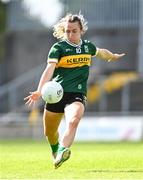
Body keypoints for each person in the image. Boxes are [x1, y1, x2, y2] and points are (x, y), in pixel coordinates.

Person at [24, 13, 125, 169]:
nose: (70, 34)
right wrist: (39, 90)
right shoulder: (58, 48)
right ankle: (56, 150)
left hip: (76, 93)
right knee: (49, 133)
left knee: (73, 120)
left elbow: (101, 52)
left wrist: (112, 56)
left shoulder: (87, 47)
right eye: (67, 31)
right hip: (56, 95)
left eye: (74, 31)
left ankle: (63, 151)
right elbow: (49, 70)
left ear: (81, 31)